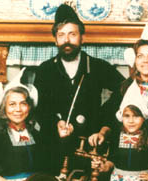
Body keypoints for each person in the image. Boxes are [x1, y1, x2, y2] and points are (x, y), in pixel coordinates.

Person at [34, 3, 125, 172]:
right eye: (61, 35)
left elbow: (125, 90)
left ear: (82, 37)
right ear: (55, 40)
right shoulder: (44, 70)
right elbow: (39, 107)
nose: (66, 40)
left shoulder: (98, 66)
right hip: (54, 146)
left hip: (90, 146)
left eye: (72, 34)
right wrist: (56, 123)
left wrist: (104, 123)